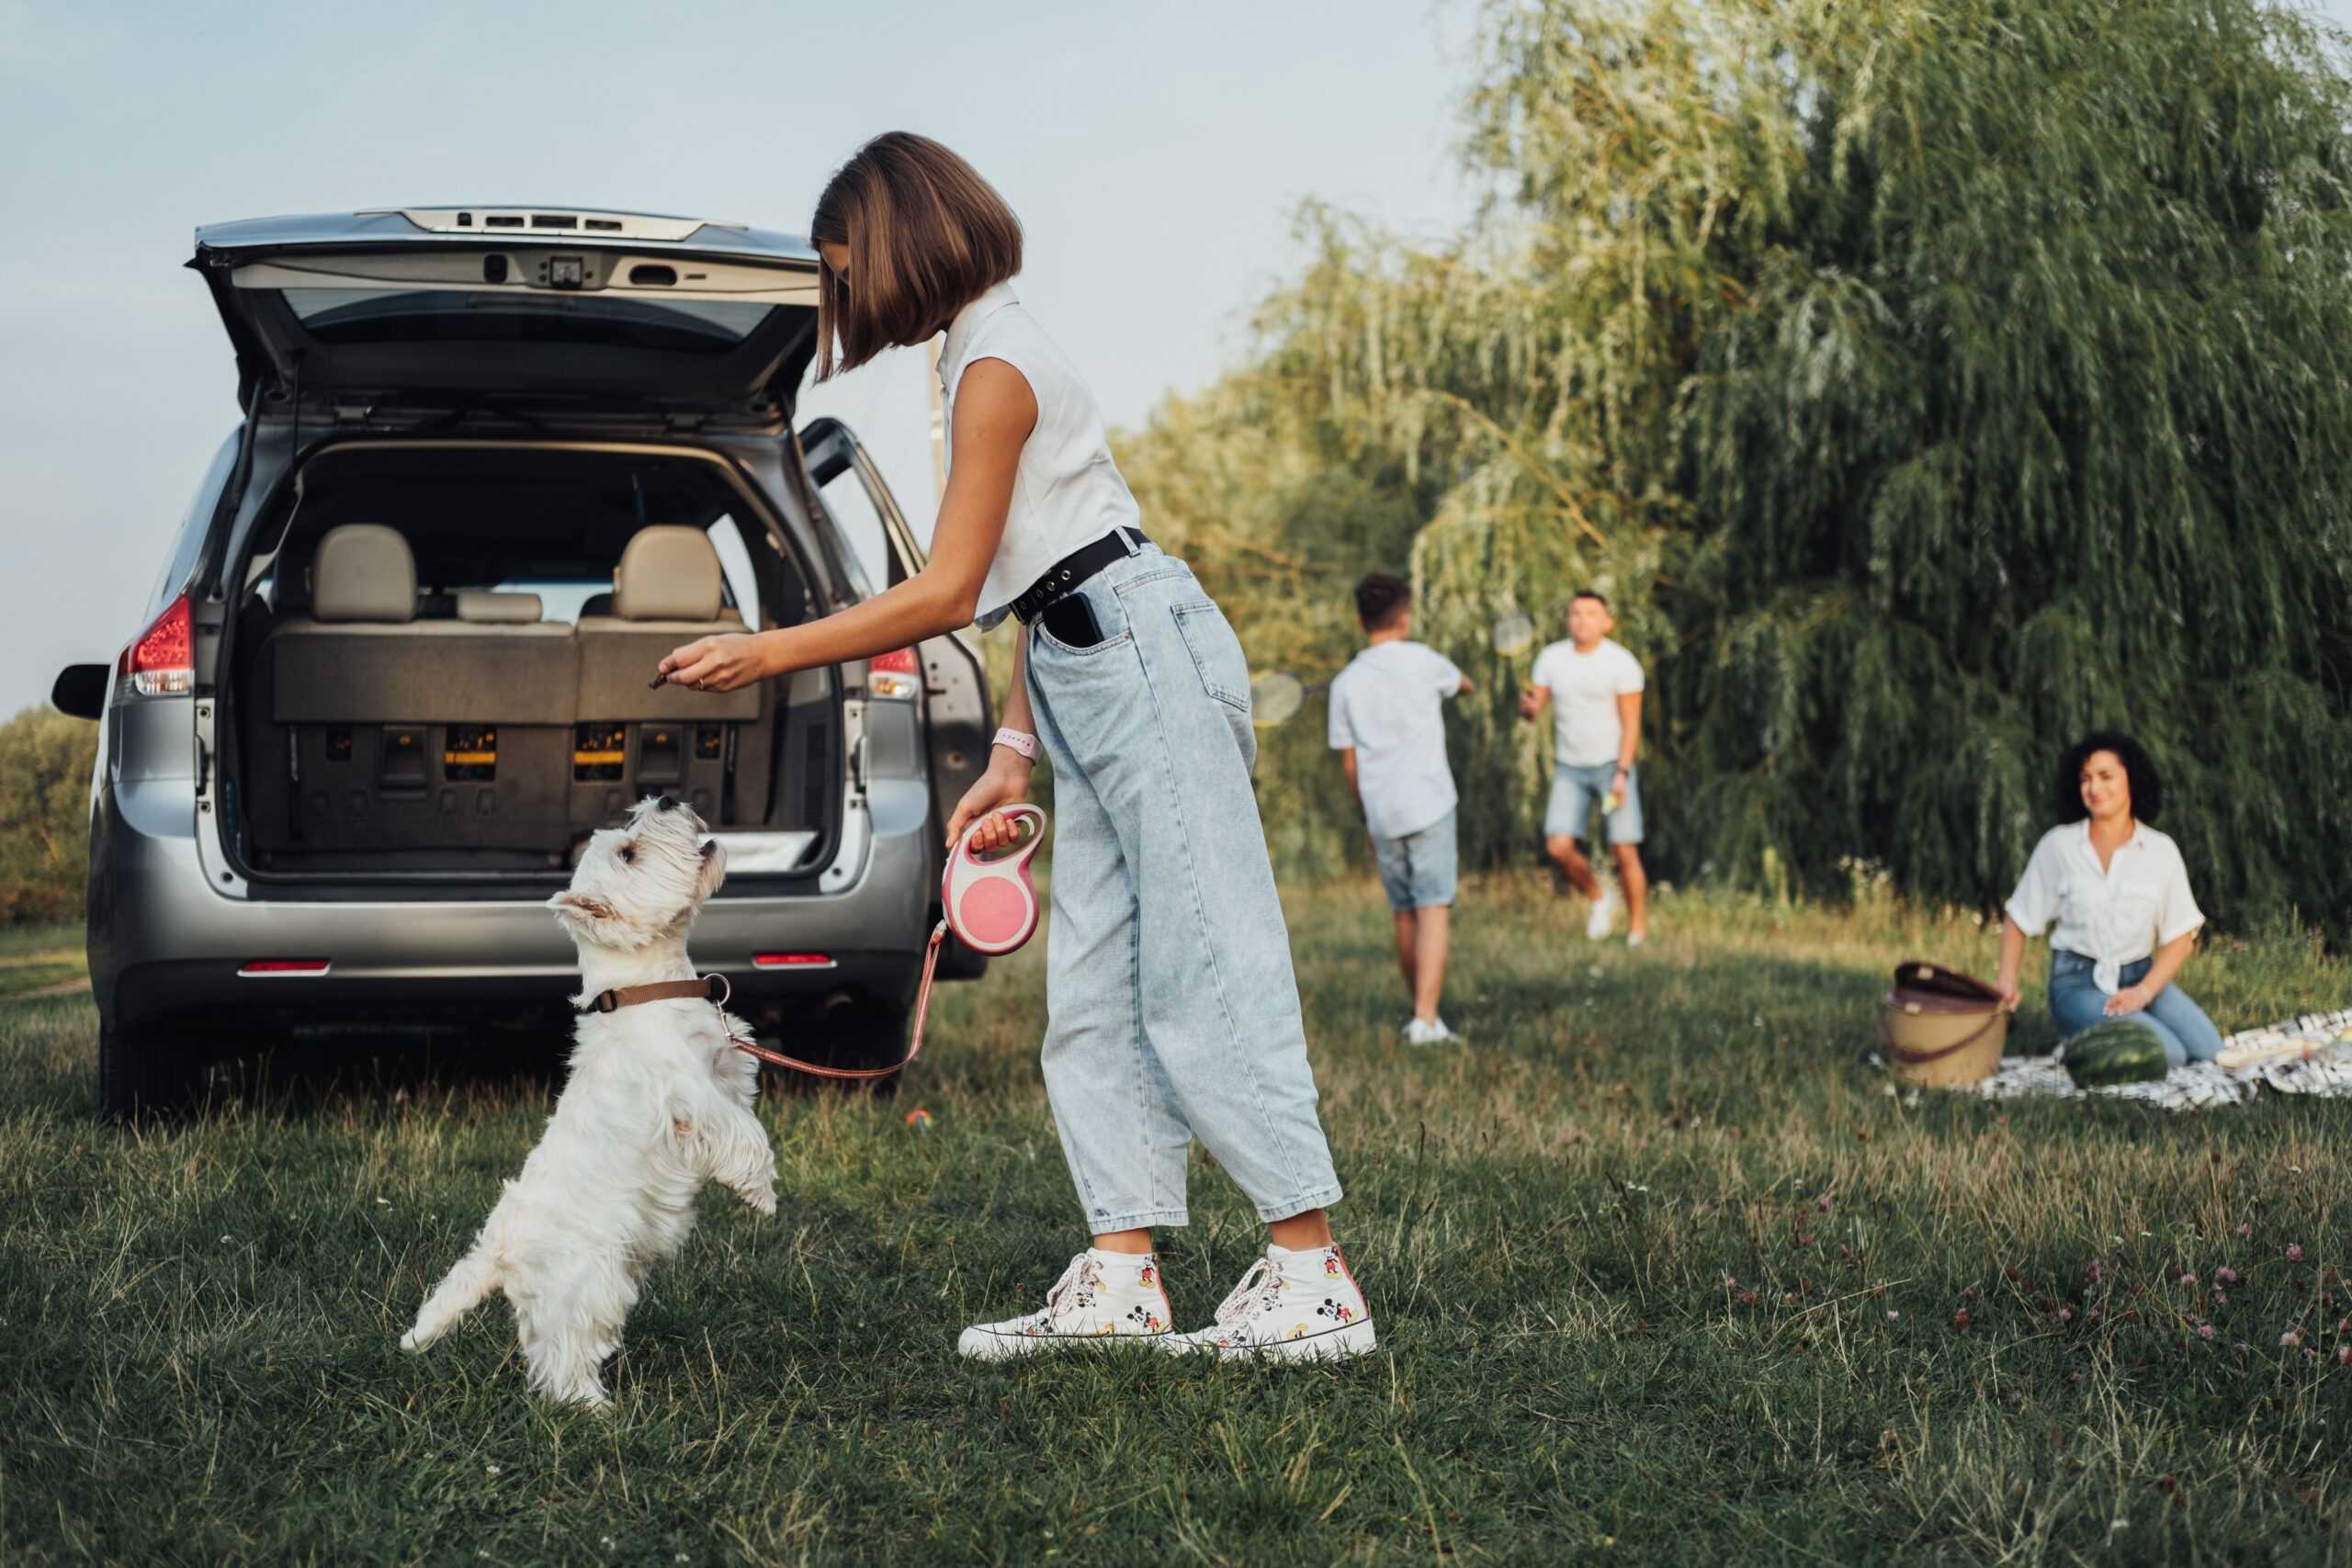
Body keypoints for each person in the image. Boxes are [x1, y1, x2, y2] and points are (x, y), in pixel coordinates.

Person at [655, 133, 1372, 1362]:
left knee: (1204, 963)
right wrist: (1013, 747)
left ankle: (1314, 1274)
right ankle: (1122, 1274)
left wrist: (771, 651)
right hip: (1083, 662)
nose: (843, 297)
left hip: (1142, 656)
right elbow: (1044, 572)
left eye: (844, 267)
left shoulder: (997, 363)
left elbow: (947, 589)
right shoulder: (968, 356)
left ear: (897, 243)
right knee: (1092, 990)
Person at [1994, 731, 2223, 1066]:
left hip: (2140, 978)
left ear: (2132, 779)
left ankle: (2115, 1031)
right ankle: (2080, 1040)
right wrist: (2007, 980)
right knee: (2169, 1055)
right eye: (2086, 779)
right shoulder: (2059, 846)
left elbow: (2181, 938)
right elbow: (2018, 918)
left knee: (2210, 1053)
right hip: (2076, 985)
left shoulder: (2161, 851)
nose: (2094, 788)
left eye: (2105, 776)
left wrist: (2143, 992)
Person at [1328, 572, 1474, 1045]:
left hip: (1383, 812)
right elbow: (1464, 685)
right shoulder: (1424, 661)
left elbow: (1350, 764)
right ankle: (1426, 1021)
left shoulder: (1346, 684)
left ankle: (1423, 1016)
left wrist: (1366, 817)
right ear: (1405, 618)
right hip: (1429, 804)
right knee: (1433, 908)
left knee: (1405, 912)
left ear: (1360, 621)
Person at [1520, 592, 1649, 944]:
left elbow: (1632, 723)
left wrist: (1622, 774)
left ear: (1607, 622)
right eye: (1575, 612)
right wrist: (1528, 708)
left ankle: (1637, 927)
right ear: (1567, 619)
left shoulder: (1622, 663)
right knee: (1558, 847)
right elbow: (1534, 711)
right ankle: (1599, 897)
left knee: (1624, 850)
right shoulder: (1551, 659)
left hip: (1612, 767)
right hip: (1570, 768)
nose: (1582, 619)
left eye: (1591, 613)